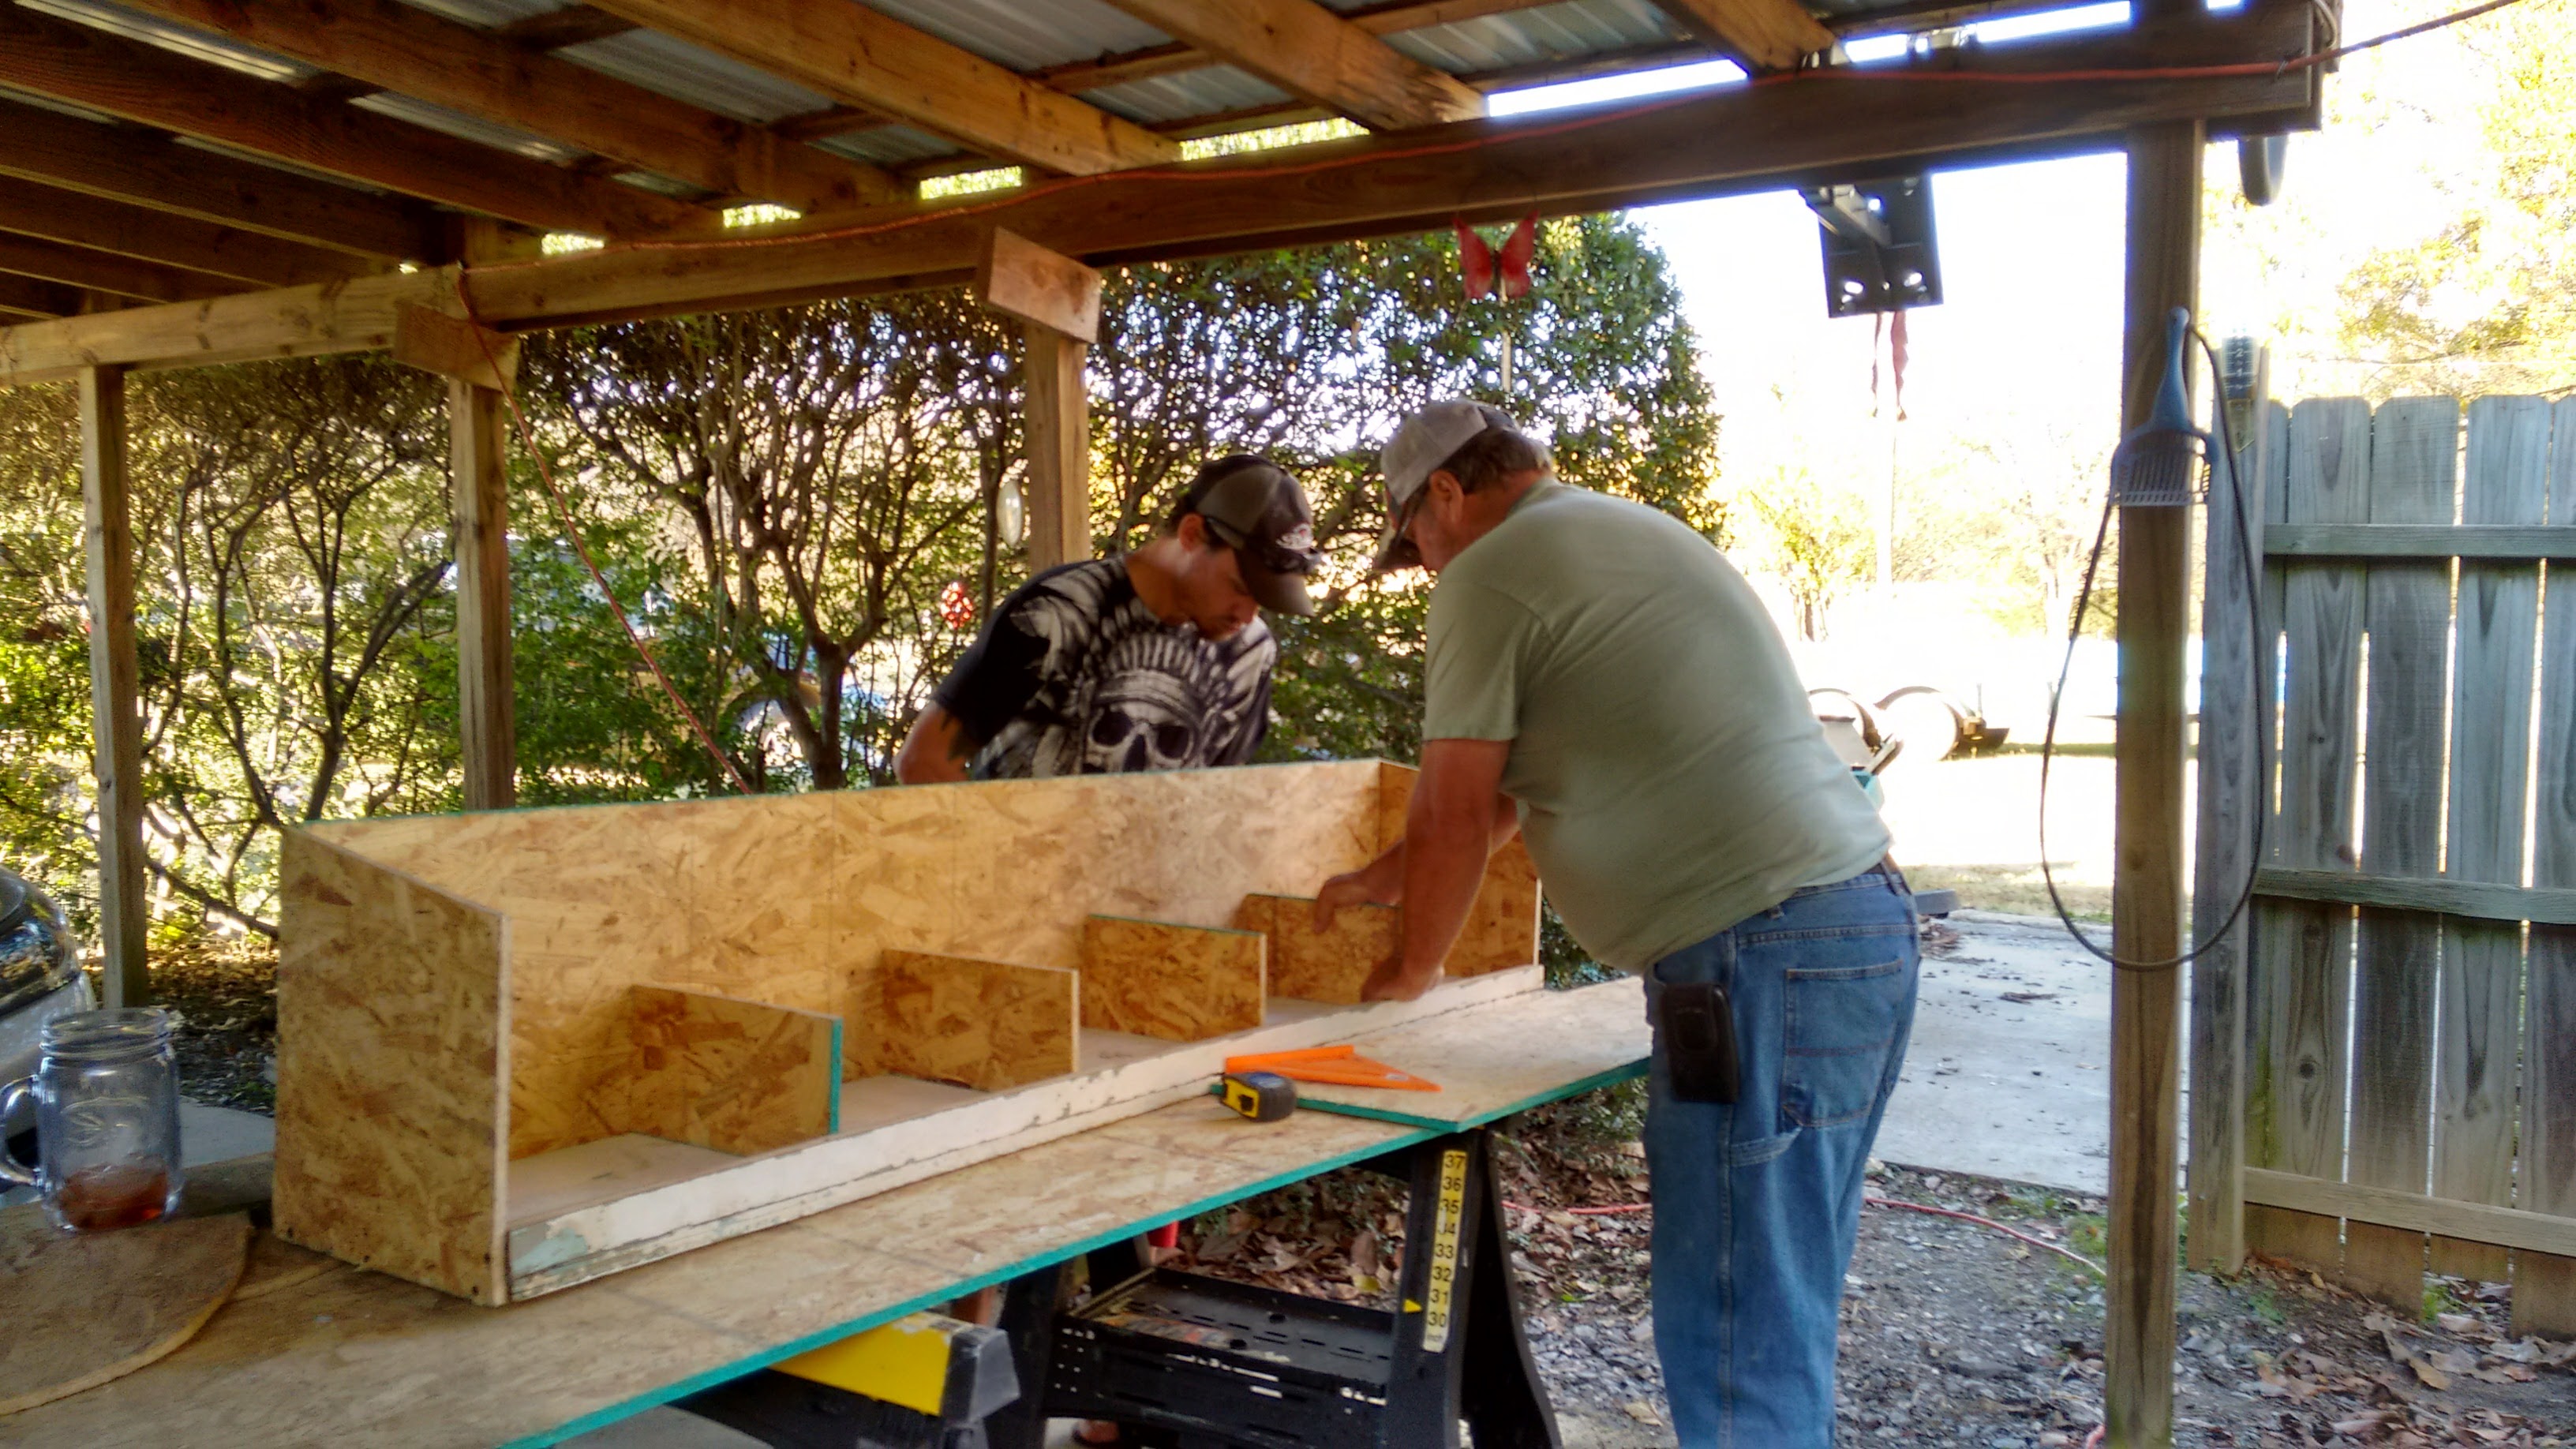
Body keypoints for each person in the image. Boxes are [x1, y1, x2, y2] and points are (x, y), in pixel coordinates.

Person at [1312, 400, 1916, 1447]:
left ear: (1447, 495)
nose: (1421, 563)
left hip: (1759, 954)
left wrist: (1411, 974)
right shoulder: (1613, 532)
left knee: (1736, 1329)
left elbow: (1456, 806)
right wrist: (1382, 878)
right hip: (1842, 932)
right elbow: (1502, 803)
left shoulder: (1490, 573)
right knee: (1774, 1311)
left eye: (1413, 536)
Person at [896, 454, 1320, 784]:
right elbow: (924, 761)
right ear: (1192, 534)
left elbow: (1220, 798)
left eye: (1263, 601)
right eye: (1240, 587)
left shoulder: (1250, 654)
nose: (1248, 616)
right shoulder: (1052, 618)